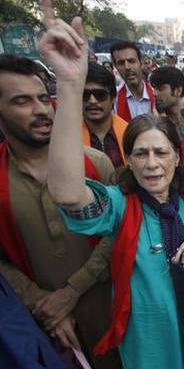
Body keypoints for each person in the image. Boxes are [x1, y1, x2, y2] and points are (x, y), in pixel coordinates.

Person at [39, 0, 184, 367]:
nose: (151, 164)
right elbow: (67, 193)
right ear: (127, 160)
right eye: (141, 154)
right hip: (148, 347)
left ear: (176, 158)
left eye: (161, 153)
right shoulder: (118, 203)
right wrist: (70, 85)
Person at [0, 51, 119, 367]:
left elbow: (119, 234)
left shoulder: (95, 163)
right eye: (22, 101)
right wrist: (45, 305)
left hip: (111, 316)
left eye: (42, 97)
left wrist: (72, 291)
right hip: (43, 329)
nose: (40, 109)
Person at [81, 61, 128, 168]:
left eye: (100, 95)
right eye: (85, 95)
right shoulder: (68, 140)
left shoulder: (129, 134)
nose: (92, 101)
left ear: (112, 98)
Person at [110, 41, 155, 121]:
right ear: (116, 67)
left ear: (141, 63)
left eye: (131, 61)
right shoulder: (113, 100)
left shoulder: (156, 94)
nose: (127, 67)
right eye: (121, 63)